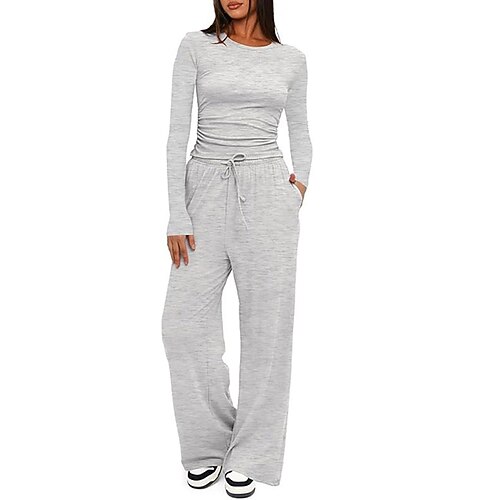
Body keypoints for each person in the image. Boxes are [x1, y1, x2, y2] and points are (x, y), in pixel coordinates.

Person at [161, 0, 312, 496]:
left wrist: (297, 189)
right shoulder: (195, 46)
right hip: (203, 187)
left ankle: (253, 453)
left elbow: (301, 131)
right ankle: (209, 444)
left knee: (268, 329)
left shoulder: (291, 59)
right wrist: (177, 212)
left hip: (268, 192)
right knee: (182, 326)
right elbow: (177, 132)